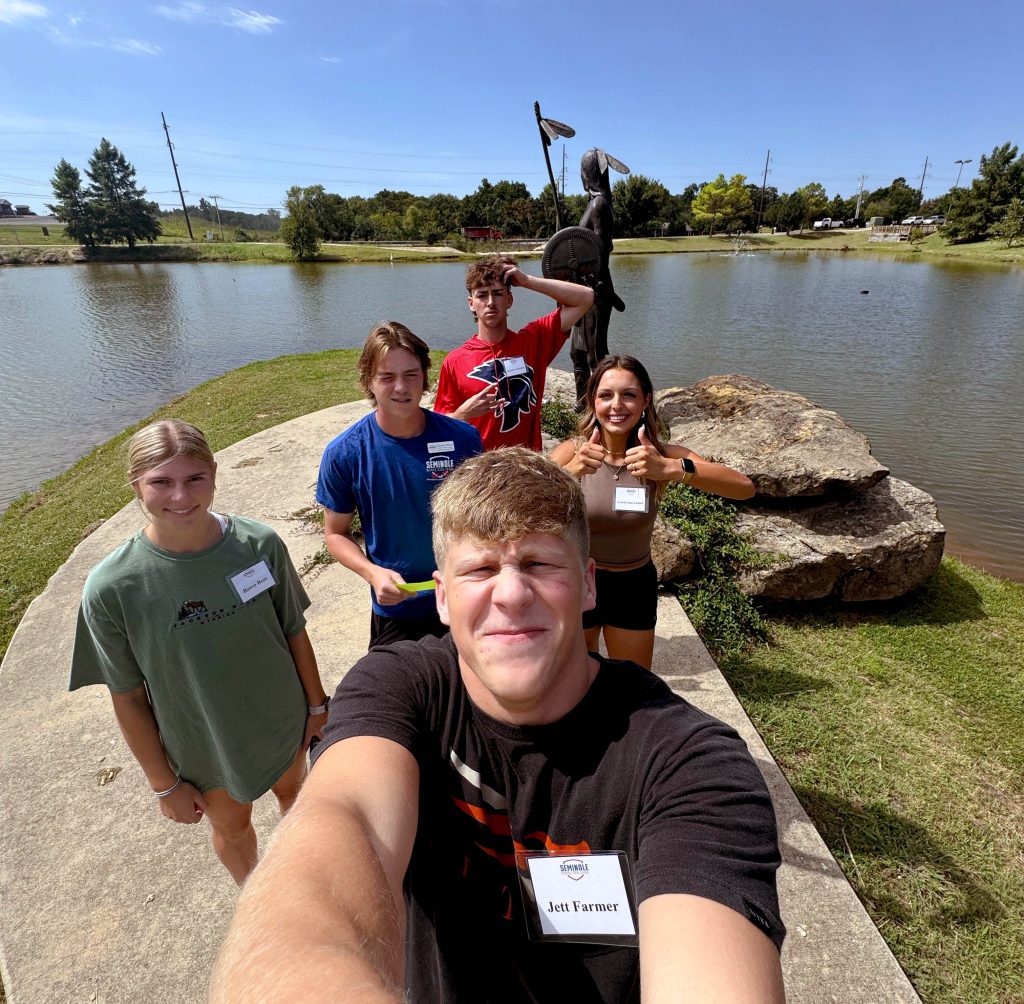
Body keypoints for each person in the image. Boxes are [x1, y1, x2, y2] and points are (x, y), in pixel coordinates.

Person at [210, 448, 785, 1003]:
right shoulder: (399, 690)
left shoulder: (688, 762)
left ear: (588, 585)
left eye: (539, 563)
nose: (510, 593)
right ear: (441, 597)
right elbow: (339, 827)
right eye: (480, 568)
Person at [69, 420, 328, 885]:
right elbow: (127, 696)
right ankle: (254, 900)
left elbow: (293, 628)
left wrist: (316, 705)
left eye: (194, 479)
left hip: (282, 719)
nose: (181, 496)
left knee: (297, 797)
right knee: (232, 826)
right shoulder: (111, 588)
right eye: (160, 482)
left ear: (214, 473)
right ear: (135, 486)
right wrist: (164, 784)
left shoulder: (259, 545)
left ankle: (305, 881)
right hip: (205, 743)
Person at [550, 356, 755, 669]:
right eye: (606, 395)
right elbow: (521, 507)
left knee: (632, 684)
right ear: (593, 401)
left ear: (646, 401)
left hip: (632, 585)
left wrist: (673, 469)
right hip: (575, 580)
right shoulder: (573, 450)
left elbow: (744, 487)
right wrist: (568, 473)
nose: (616, 405)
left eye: (629, 395)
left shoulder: (661, 457)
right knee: (575, 675)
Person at [317, 321, 482, 648]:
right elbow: (335, 534)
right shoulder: (345, 453)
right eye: (386, 377)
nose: (401, 388)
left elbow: (484, 518)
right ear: (368, 381)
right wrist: (372, 573)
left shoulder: (464, 439)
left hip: (461, 597)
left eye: (410, 374)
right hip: (397, 608)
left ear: (425, 376)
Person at [433, 254, 593, 450]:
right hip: (477, 470)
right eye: (482, 295)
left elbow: (585, 298)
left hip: (523, 468)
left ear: (509, 299)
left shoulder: (533, 341)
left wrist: (526, 281)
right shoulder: (454, 361)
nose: (491, 302)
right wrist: (462, 414)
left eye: (498, 293)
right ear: (471, 304)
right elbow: (438, 426)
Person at [571, 148, 627, 406]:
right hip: (582, 290)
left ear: (589, 174)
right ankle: (582, 403)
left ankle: (606, 404)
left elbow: (602, 246)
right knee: (578, 352)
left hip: (596, 289)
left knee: (596, 354)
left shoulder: (599, 204)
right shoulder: (594, 203)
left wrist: (596, 286)